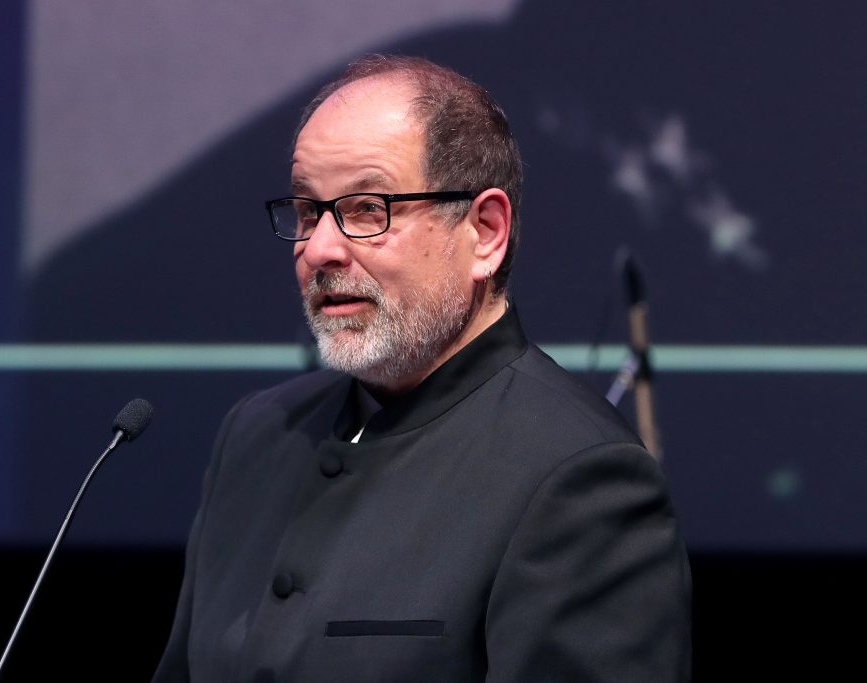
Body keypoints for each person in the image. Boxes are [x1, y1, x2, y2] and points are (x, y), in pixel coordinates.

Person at [152, 54, 691, 683]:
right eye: (307, 212)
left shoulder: (579, 475)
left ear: (485, 233)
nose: (319, 248)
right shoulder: (259, 433)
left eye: (367, 208)